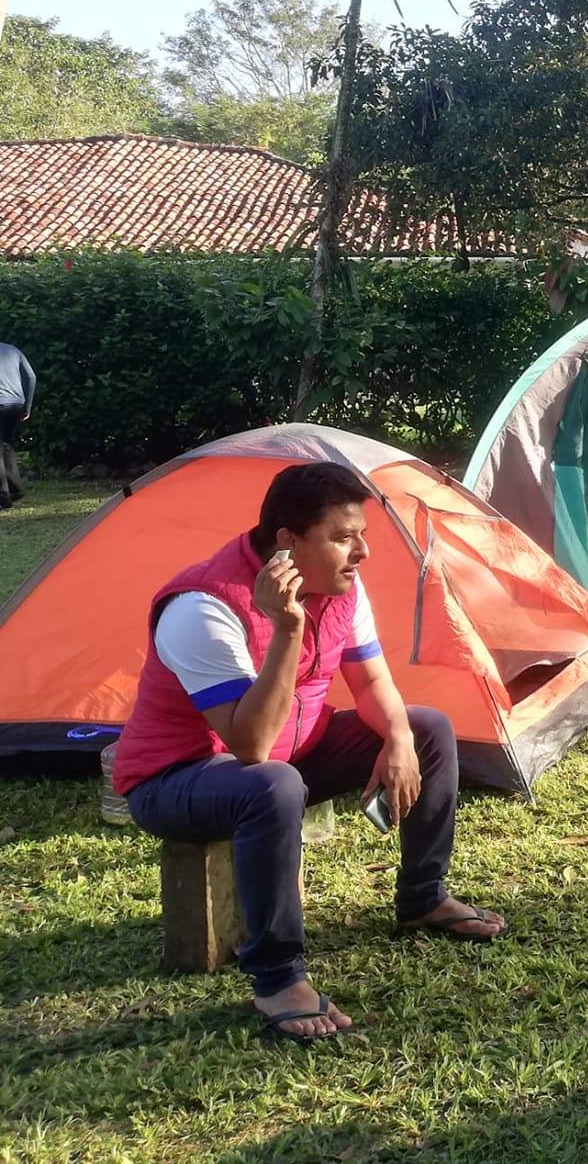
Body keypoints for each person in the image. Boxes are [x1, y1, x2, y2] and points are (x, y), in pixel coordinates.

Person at [114, 461, 507, 1044]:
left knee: (427, 727)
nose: (362, 553)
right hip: (176, 779)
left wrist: (398, 741)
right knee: (273, 784)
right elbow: (251, 746)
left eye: (362, 536)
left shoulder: (344, 587)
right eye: (344, 538)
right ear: (287, 544)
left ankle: (423, 897)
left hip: (293, 753)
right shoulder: (203, 607)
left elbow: (373, 685)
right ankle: (276, 976)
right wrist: (288, 629)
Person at [0, 339, 35, 509]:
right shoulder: (13, 350)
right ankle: (15, 489)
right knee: (4, 445)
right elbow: (31, 376)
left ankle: (4, 496)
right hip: (16, 403)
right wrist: (26, 407)